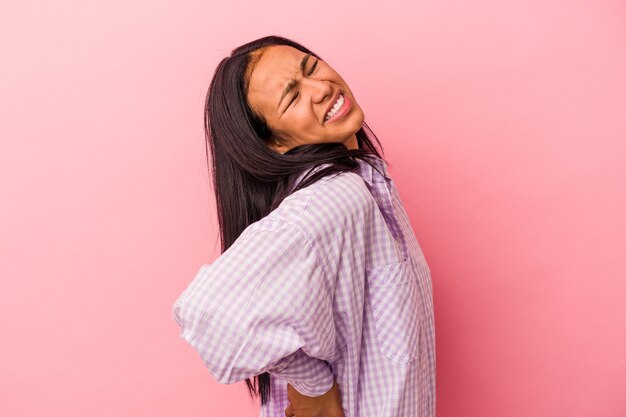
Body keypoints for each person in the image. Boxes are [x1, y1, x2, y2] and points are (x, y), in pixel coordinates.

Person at [172, 35, 436, 417]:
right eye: (292, 97)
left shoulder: (364, 182)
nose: (320, 89)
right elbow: (208, 310)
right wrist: (313, 386)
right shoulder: (336, 198)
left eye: (311, 67)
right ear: (275, 144)